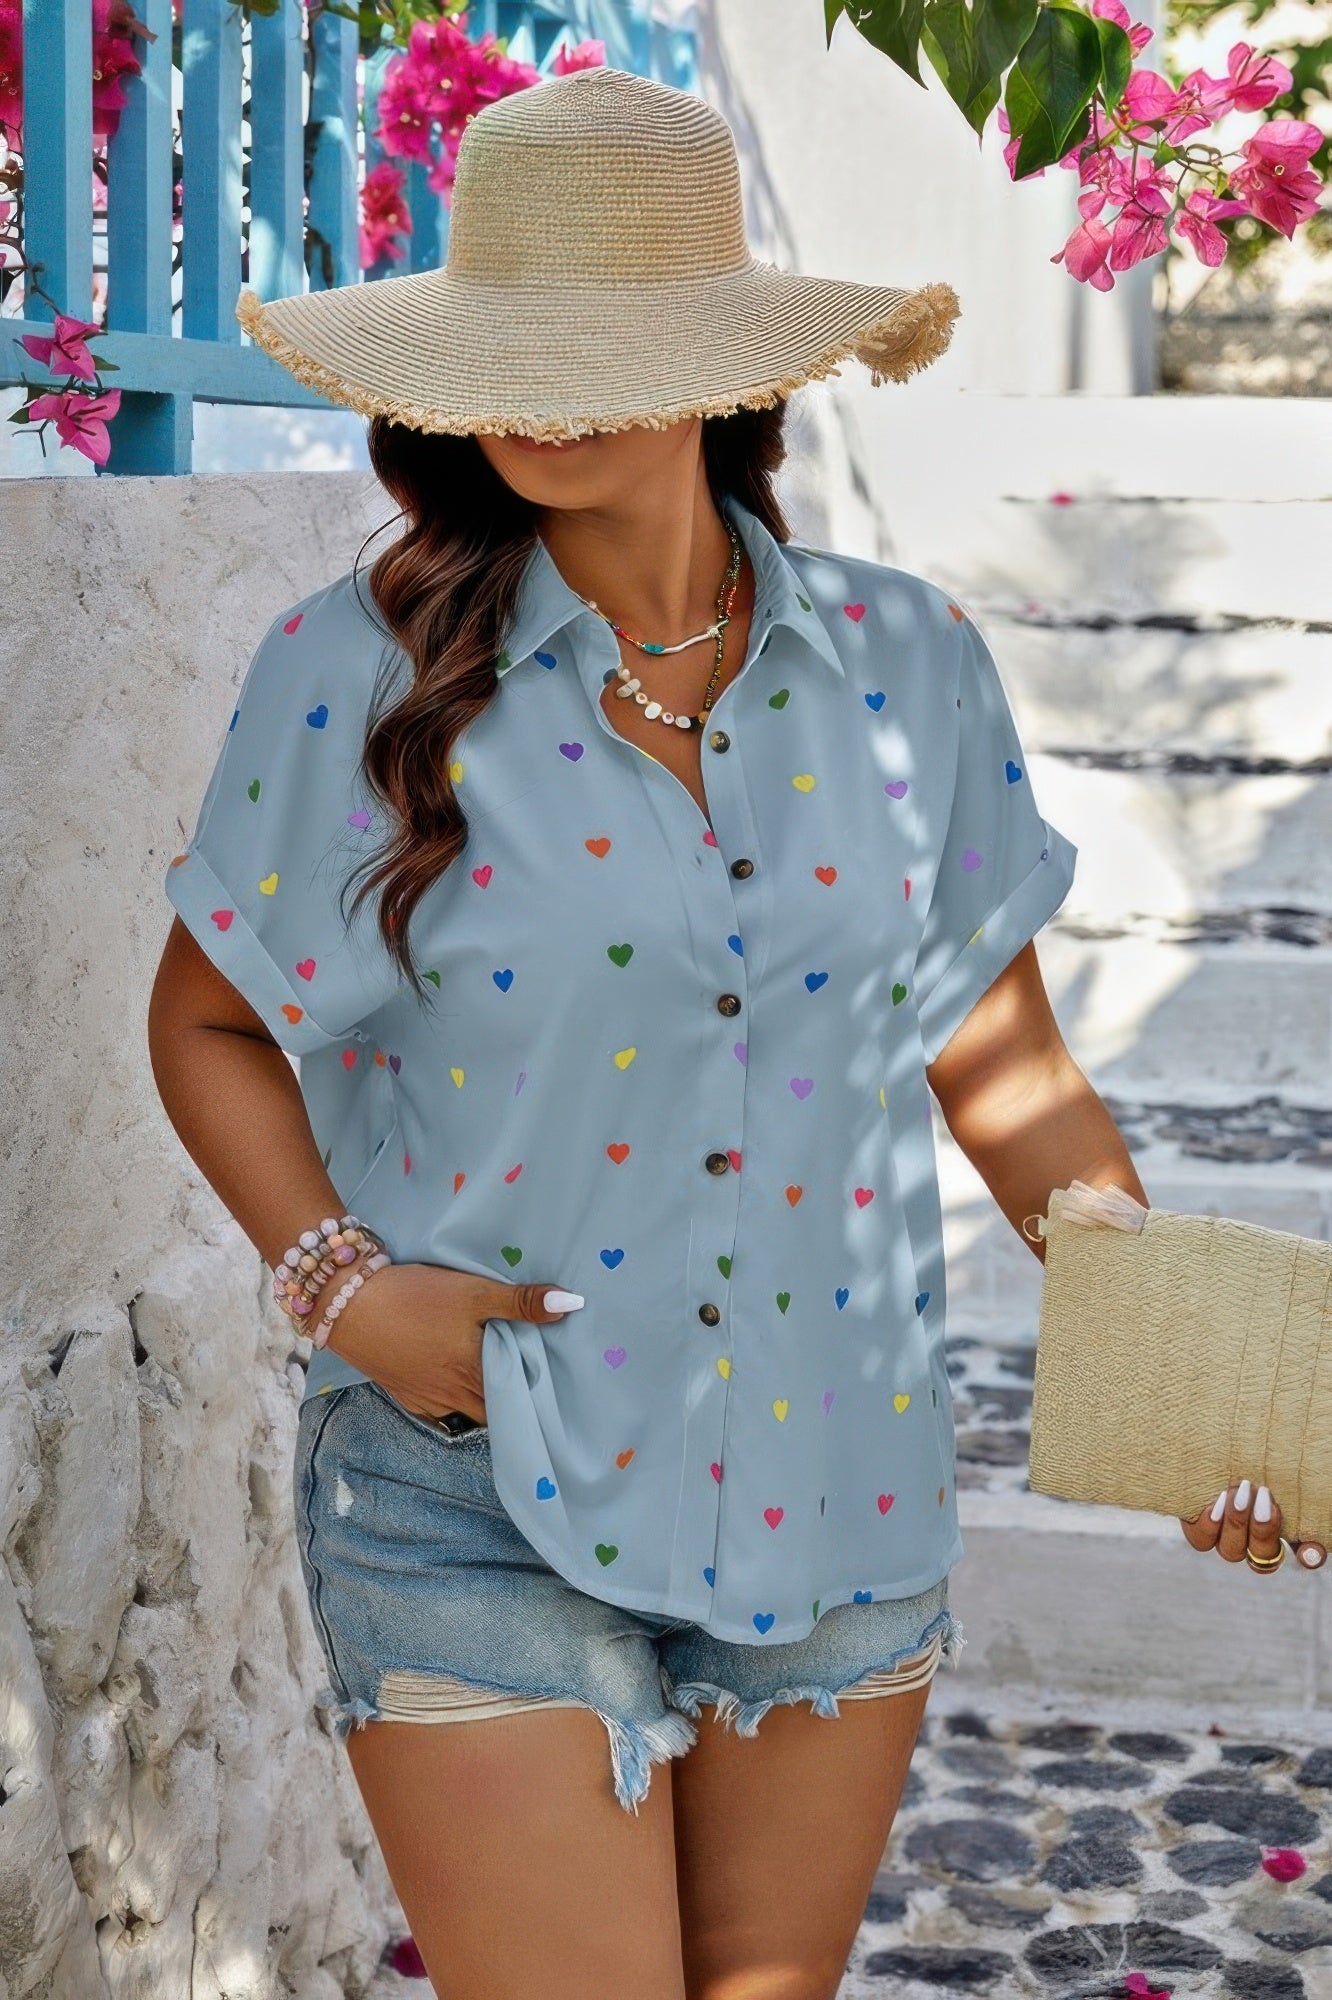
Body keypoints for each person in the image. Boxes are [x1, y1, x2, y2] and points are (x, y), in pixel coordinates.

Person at [148, 63, 1325, 2000]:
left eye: (607, 347)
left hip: (837, 1484)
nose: (545, 395)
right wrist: (347, 1290)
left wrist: (1202, 1378)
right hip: (469, 1480)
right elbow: (205, 1022)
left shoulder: (909, 663)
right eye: (507, 351)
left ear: (724, 367)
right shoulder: (357, 671)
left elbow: (1007, 1070)